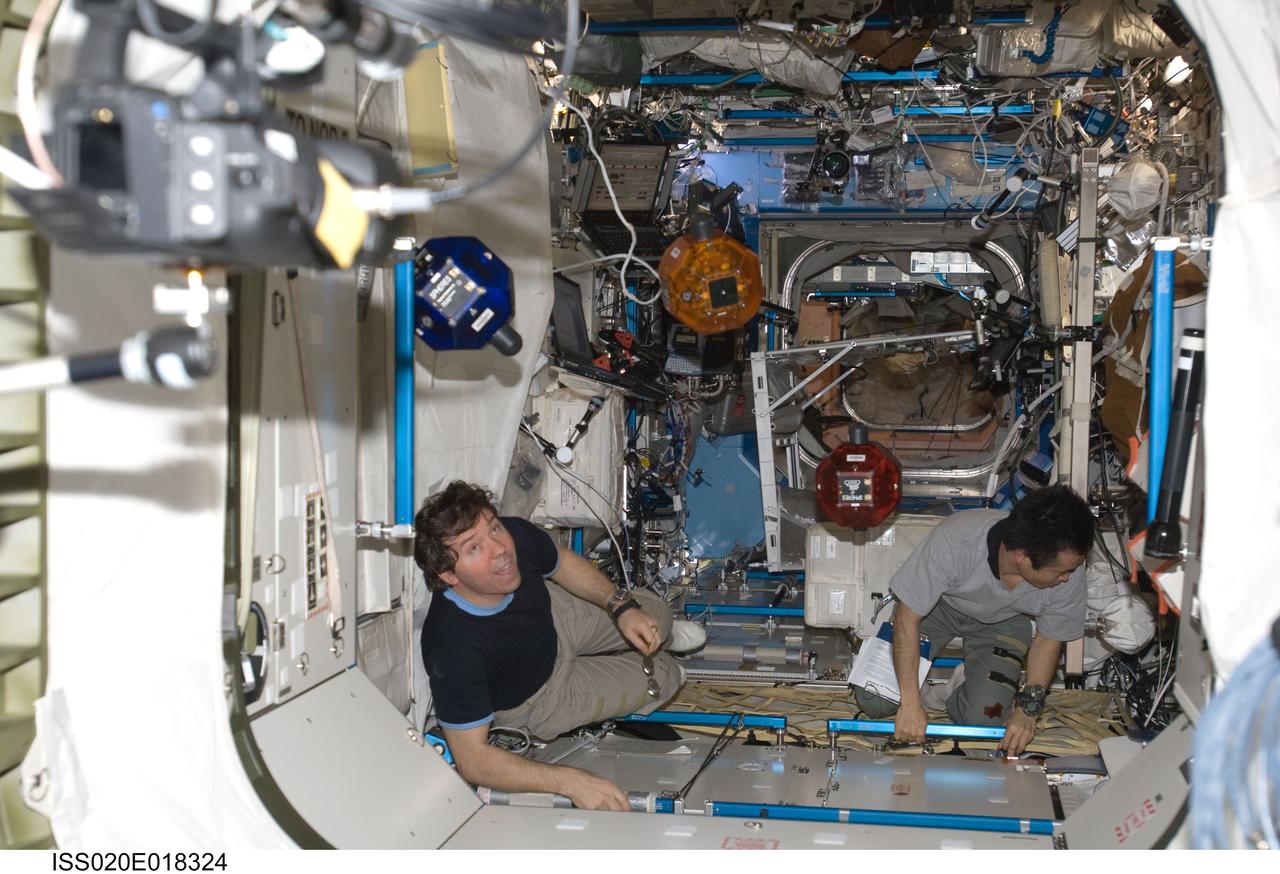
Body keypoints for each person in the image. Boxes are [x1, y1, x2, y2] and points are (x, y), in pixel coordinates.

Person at [414, 480, 705, 811]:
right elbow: (473, 760)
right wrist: (568, 781)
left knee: (657, 615)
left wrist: (619, 607)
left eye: (493, 527)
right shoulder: (453, 647)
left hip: (554, 618)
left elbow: (562, 563)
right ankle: (665, 662)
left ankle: (667, 636)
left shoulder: (513, 539)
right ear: (448, 575)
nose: (499, 548)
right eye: (473, 548)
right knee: (664, 676)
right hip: (540, 698)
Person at [853, 485, 1096, 757]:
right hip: (938, 609)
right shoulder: (957, 540)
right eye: (1061, 572)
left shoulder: (1069, 573)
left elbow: (1048, 638)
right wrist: (909, 703)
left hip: (1005, 621)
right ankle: (921, 691)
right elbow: (906, 619)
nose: (1067, 578)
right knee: (872, 699)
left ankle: (958, 689)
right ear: (1023, 557)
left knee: (985, 719)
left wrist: (1027, 711)